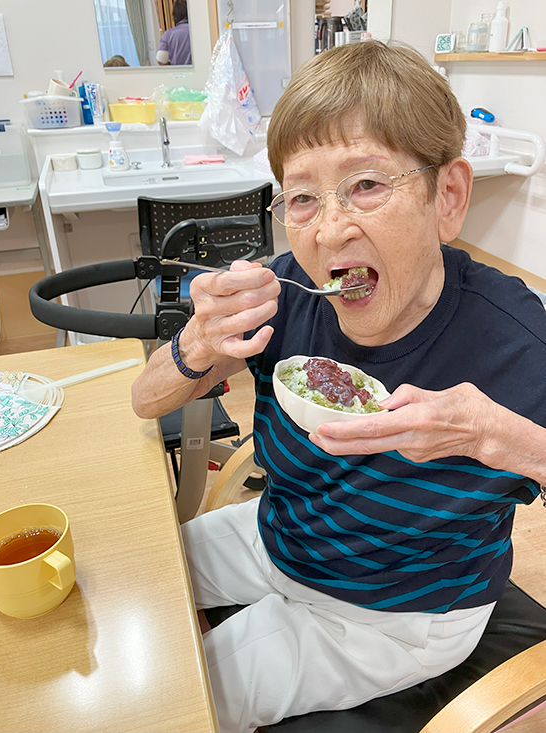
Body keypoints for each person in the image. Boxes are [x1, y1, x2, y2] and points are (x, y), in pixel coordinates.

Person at [131, 40, 546, 733]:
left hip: (398, 615)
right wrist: (198, 341)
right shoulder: (283, 296)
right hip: (281, 536)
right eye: (301, 197)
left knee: (179, 698)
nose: (328, 230)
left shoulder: (516, 339)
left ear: (447, 196)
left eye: (367, 185)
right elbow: (145, 400)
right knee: (140, 576)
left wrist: (498, 435)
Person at [156, 0, 191, 66]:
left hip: (177, 74)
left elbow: (161, 60)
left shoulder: (168, 34)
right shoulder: (198, 32)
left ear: (175, 16)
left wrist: (172, 67)